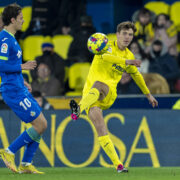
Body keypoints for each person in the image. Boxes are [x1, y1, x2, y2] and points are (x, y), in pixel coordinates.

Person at [70, 21, 158, 173]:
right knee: (101, 129)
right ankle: (118, 165)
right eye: (124, 33)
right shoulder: (105, 46)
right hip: (89, 97)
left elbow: (137, 77)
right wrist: (126, 62)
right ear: (117, 34)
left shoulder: (129, 55)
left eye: (130, 35)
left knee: (98, 84)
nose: (127, 37)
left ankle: (77, 110)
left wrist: (148, 95)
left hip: (108, 93)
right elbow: (106, 57)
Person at [0, 4, 47, 174]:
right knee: (41, 124)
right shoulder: (4, 39)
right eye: (20, 18)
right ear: (12, 20)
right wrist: (23, 66)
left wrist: (22, 80)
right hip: (12, 90)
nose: (23, 20)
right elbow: (1, 64)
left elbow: (10, 67)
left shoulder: (11, 38)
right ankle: (9, 152)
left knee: (40, 124)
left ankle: (26, 164)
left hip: (18, 87)